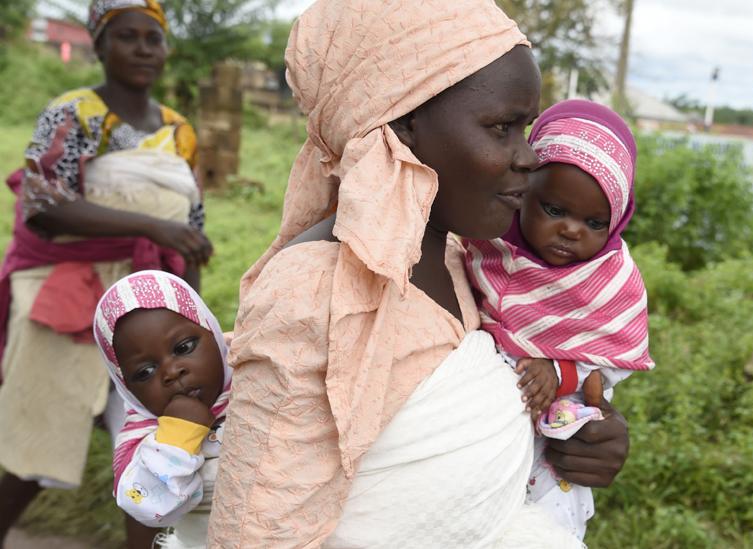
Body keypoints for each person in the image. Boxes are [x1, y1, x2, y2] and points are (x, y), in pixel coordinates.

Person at [208, 1, 630, 547]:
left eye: (525, 128)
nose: (530, 157)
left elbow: (469, 428)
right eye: (502, 127)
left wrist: (582, 434)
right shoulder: (315, 295)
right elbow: (258, 532)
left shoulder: (460, 262)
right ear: (404, 126)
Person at [0, 2, 212, 547]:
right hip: (68, 294)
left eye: (154, 39)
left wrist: (190, 316)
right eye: (127, 37)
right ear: (99, 44)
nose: (144, 49)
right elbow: (42, 204)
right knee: (33, 449)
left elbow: (190, 230)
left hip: (148, 313)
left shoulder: (179, 130)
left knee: (160, 452)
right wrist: (153, 228)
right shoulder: (73, 114)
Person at [464, 99, 652, 540]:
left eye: (594, 222)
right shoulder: (483, 245)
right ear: (524, 189)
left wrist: (561, 370)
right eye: (554, 210)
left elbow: (608, 361)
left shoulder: (608, 279)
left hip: (554, 446)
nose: (572, 230)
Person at [93, 270, 231, 549]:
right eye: (145, 372)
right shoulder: (143, 439)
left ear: (212, 333)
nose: (171, 372)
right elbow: (145, 505)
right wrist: (178, 438)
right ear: (126, 387)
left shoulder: (260, 378)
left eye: (184, 347)